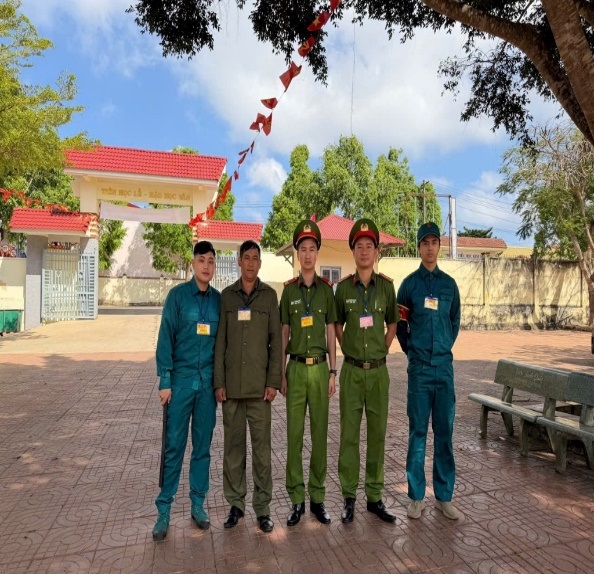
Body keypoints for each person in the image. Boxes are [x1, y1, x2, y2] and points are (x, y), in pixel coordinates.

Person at [152, 241, 221, 541]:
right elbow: (165, 337)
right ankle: (164, 509)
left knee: (202, 448)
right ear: (192, 264)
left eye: (211, 261)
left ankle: (197, 504)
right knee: (174, 447)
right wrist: (165, 380)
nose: (206, 266)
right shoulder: (178, 297)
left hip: (207, 387)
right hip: (180, 385)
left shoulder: (218, 301)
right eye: (201, 260)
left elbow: (222, 345)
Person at [214, 240, 282, 533]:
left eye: (256, 258)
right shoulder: (227, 297)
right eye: (247, 258)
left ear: (259, 263)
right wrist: (219, 382)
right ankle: (236, 504)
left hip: (259, 390)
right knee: (233, 449)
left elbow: (276, 342)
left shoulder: (269, 297)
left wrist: (273, 382)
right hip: (231, 388)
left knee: (262, 451)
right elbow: (220, 342)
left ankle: (263, 508)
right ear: (239, 261)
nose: (251, 263)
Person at [396, 222, 461, 521]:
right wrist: (414, 351)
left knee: (444, 432)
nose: (430, 247)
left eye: (435, 242)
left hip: (444, 370)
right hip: (420, 370)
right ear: (419, 247)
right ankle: (416, 497)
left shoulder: (450, 286)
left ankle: (444, 497)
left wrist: (443, 346)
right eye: (425, 243)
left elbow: (454, 321)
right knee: (418, 433)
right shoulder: (408, 286)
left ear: (439, 246)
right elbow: (400, 326)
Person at [335, 218, 398, 524]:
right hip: (351, 372)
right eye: (359, 246)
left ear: (376, 251)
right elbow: (337, 324)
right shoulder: (343, 288)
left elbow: (393, 322)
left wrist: (382, 348)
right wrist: (346, 345)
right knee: (349, 435)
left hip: (378, 373)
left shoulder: (386, 287)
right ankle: (349, 496)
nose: (364, 251)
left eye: (369, 246)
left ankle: (374, 496)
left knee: (377, 435)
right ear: (353, 251)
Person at [280, 220, 337, 526]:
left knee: (319, 435)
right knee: (294, 436)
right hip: (296, 369)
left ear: (317, 253)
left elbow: (331, 332)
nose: (307, 254)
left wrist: (333, 371)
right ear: (297, 253)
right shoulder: (288, 291)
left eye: (312, 249)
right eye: (302, 249)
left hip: (320, 369)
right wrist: (281, 373)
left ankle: (317, 498)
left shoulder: (327, 290)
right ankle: (296, 500)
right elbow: (283, 333)